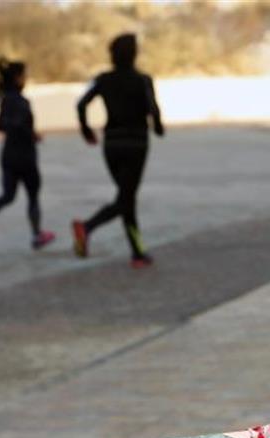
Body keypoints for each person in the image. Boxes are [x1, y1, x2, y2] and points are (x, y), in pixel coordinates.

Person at [72, 34, 164, 268]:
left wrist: (86, 130)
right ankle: (87, 227)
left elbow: (81, 104)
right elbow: (152, 108)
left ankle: (138, 253)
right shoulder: (143, 79)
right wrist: (159, 127)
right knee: (126, 198)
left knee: (126, 197)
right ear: (134, 54)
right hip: (136, 143)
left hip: (112, 144)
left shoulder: (103, 79)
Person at [0, 58, 55, 250]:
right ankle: (37, 235)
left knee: (8, 195)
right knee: (33, 196)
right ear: (18, 78)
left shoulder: (5, 100)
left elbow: (0, 126)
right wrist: (32, 135)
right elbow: (19, 125)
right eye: (24, 76)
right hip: (25, 155)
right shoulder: (22, 102)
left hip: (8, 155)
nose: (26, 79)